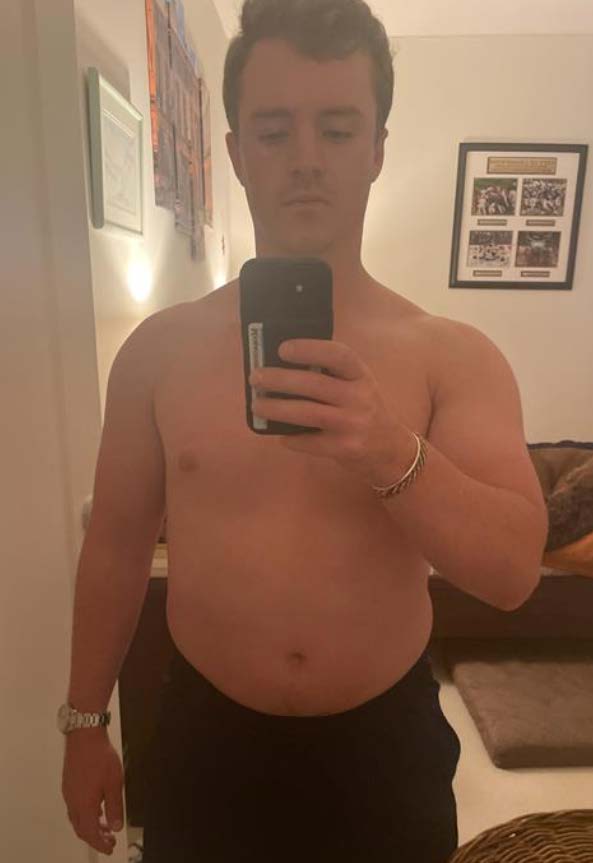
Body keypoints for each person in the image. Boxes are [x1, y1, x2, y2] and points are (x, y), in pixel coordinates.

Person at [60, 0, 549, 861]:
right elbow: (115, 545)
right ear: (236, 153)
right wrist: (83, 723)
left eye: (337, 127)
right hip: (207, 744)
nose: (306, 158)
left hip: (381, 753)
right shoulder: (156, 353)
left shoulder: (451, 356)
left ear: (376, 149)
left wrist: (389, 451)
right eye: (274, 130)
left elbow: (511, 572)